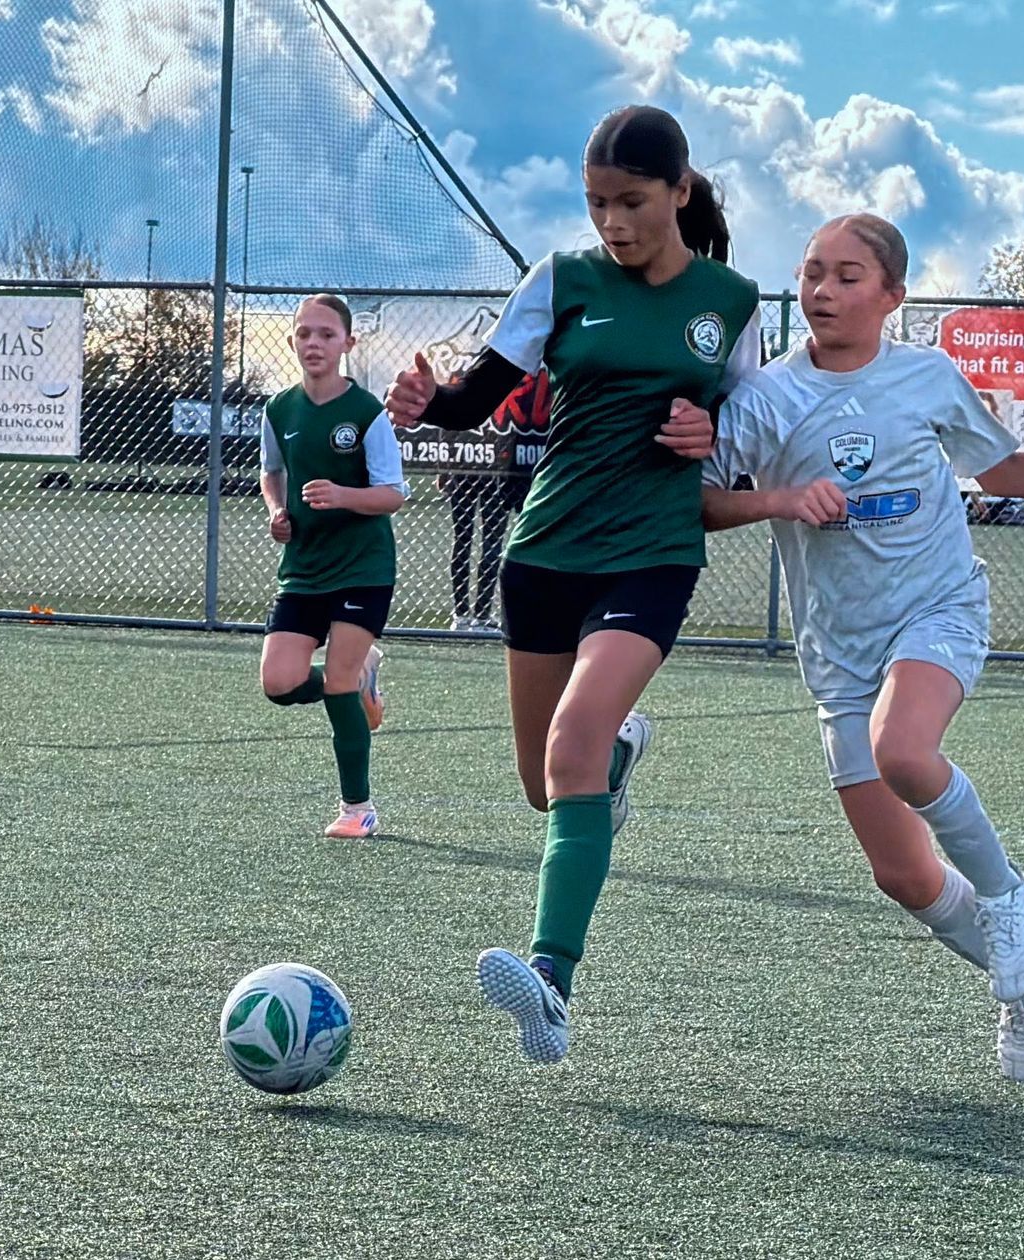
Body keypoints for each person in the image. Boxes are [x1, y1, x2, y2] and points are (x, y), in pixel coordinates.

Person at [697, 213, 1024, 1082]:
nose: (824, 290)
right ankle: (1023, 988)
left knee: (905, 749)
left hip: (937, 608)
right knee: (905, 877)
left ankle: (1010, 898)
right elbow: (704, 500)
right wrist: (781, 502)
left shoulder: (927, 376)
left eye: (849, 276)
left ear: (892, 296)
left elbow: (1000, 472)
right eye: (813, 272)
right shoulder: (766, 399)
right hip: (839, 655)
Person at [386, 105, 763, 1063]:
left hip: (652, 553)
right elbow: (481, 393)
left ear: (680, 192)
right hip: (544, 553)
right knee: (543, 787)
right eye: (597, 204)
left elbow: (750, 440)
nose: (613, 224)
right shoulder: (559, 278)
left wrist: (713, 438)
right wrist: (432, 406)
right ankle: (616, 762)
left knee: (571, 742)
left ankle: (550, 983)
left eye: (631, 202)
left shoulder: (735, 302)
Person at [259, 294, 408, 840]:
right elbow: (272, 474)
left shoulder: (367, 413)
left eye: (325, 334)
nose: (313, 343)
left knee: (339, 682)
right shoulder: (279, 410)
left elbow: (392, 494)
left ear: (348, 342)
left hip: (362, 567)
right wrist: (278, 511)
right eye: (304, 334)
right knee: (279, 683)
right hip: (304, 567)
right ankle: (361, 676)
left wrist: (344, 495)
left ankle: (358, 807)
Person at [438, 463, 506, 631]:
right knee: (491, 542)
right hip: (494, 470)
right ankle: (481, 615)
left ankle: (461, 615)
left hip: (463, 467)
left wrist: (444, 469)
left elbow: (450, 437)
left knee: (463, 539)